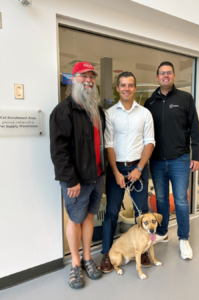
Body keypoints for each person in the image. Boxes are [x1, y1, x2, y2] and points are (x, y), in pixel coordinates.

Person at [50, 62, 105, 289]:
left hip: (97, 177)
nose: (89, 80)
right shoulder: (63, 111)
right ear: (74, 79)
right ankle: (74, 263)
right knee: (75, 220)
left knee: (89, 217)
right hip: (77, 181)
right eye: (84, 76)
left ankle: (87, 258)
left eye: (92, 76)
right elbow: (58, 151)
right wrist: (70, 180)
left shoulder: (96, 110)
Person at [144, 61, 199, 260]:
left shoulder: (185, 98)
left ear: (174, 76)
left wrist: (197, 155)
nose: (165, 76)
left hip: (180, 159)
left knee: (180, 200)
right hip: (157, 161)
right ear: (157, 77)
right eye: (162, 73)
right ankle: (162, 232)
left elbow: (195, 128)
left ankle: (184, 239)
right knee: (160, 200)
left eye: (169, 73)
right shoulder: (150, 102)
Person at [100, 71, 155, 273]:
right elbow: (109, 145)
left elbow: (150, 142)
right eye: (122, 85)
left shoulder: (145, 114)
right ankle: (107, 253)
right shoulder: (110, 114)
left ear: (134, 87)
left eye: (130, 85)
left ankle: (142, 251)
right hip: (117, 168)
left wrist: (139, 168)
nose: (126, 88)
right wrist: (115, 172)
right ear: (117, 88)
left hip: (138, 167)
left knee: (141, 213)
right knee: (112, 212)